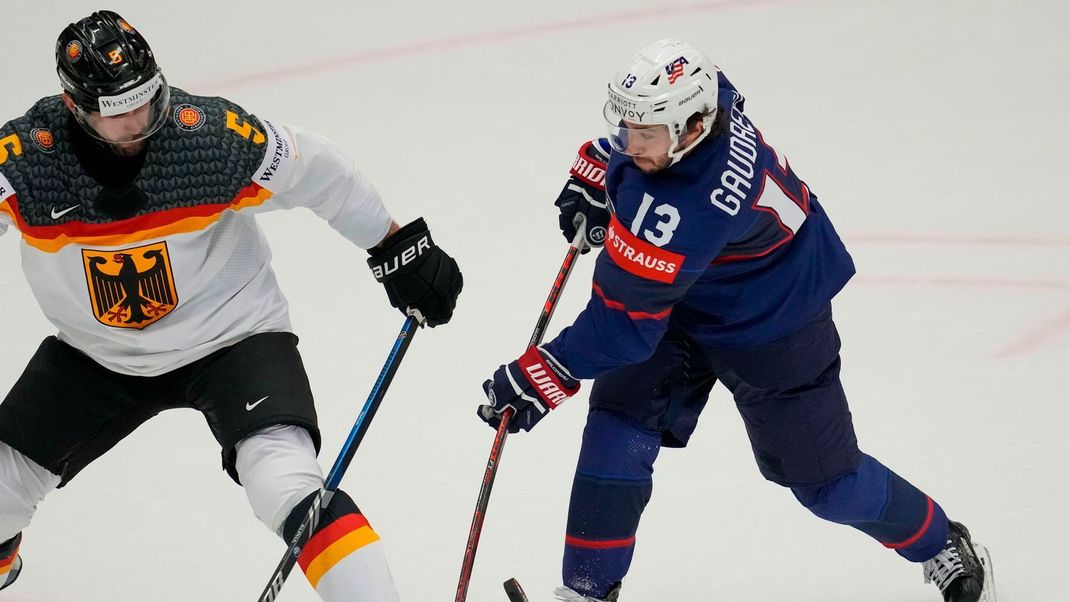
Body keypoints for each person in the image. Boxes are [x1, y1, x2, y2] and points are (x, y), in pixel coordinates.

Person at [478, 39, 994, 602]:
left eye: (642, 135)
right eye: (627, 127)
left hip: (774, 319)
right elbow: (637, 149)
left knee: (827, 484)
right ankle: (586, 591)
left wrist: (542, 372)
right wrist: (603, 168)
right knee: (617, 428)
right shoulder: (705, 102)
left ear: (693, 130)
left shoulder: (688, 209)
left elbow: (623, 327)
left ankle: (942, 542)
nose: (630, 142)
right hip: (686, 295)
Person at [0, 11, 462, 601]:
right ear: (74, 107)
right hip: (96, 355)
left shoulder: (209, 138)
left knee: (284, 482)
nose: (140, 123)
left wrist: (396, 244)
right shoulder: (24, 163)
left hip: (231, 339)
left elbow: (319, 170)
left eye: (147, 101)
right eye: (117, 114)